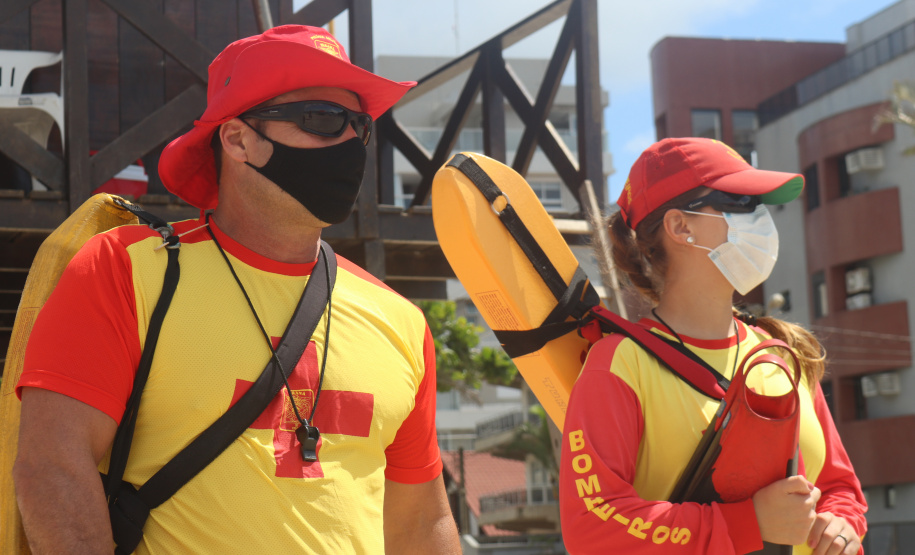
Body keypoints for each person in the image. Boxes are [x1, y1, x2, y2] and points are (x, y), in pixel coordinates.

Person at [13, 25, 461, 554]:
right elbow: (51, 468)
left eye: (359, 127)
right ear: (238, 139)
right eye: (323, 119)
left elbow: (420, 523)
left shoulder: (401, 321)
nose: (348, 144)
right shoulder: (126, 272)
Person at [558, 137, 867, 555]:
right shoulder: (618, 365)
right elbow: (592, 528)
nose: (761, 218)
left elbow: (840, 489)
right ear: (680, 227)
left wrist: (842, 528)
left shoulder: (782, 355)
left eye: (760, 204)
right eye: (740, 201)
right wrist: (749, 523)